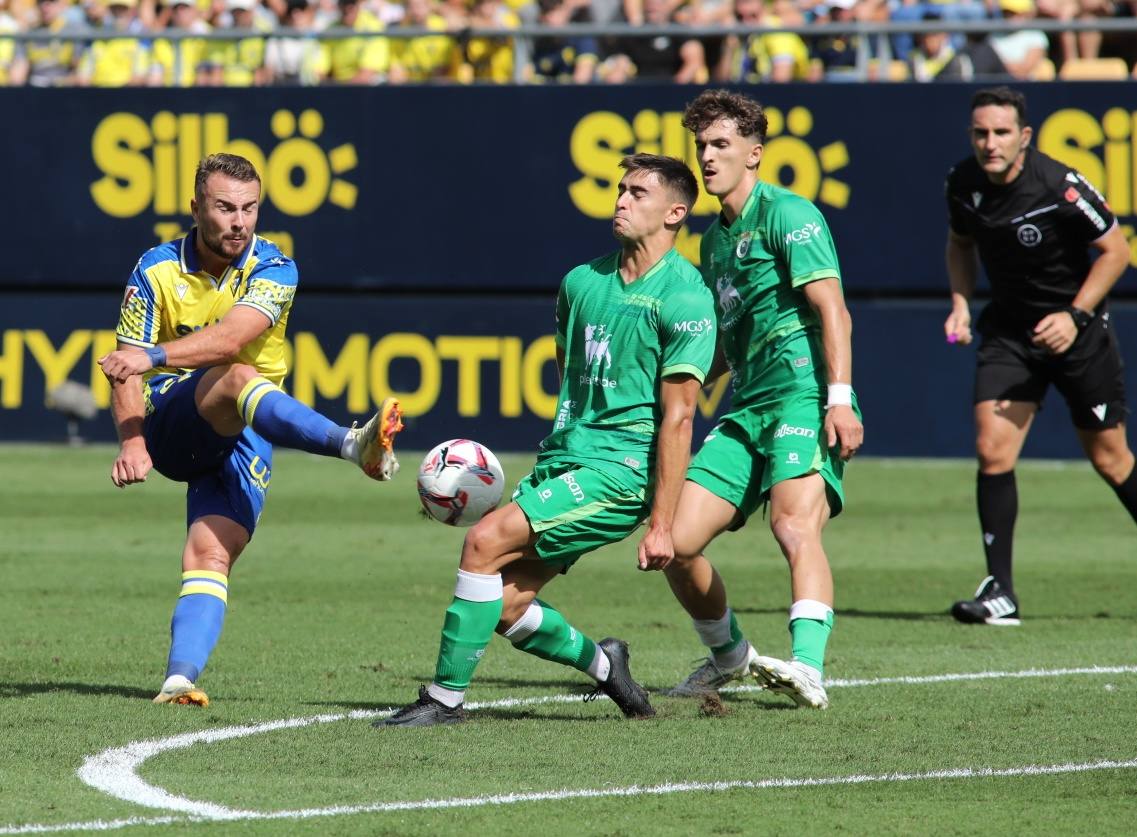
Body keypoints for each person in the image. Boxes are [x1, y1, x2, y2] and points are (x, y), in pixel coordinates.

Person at [380, 153, 716, 727]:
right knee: (506, 607)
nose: (621, 200)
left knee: (482, 543)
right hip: (566, 459)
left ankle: (443, 701)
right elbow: (572, 372)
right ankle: (609, 668)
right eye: (620, 189)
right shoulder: (581, 282)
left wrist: (661, 522)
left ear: (675, 212)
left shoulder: (686, 298)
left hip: (621, 473)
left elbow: (680, 419)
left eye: (638, 193)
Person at [98, 153, 404, 706]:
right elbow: (125, 365)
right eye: (224, 208)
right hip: (175, 420)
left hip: (246, 431)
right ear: (196, 209)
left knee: (211, 555)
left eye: (250, 208)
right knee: (236, 377)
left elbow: (228, 337)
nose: (239, 221)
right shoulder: (155, 269)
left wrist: (154, 354)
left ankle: (179, 679)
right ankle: (351, 444)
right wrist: (133, 439)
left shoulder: (274, 266)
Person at [652, 89, 863, 710]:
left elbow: (834, 311)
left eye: (721, 145)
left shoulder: (790, 214)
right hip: (747, 406)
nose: (708, 157)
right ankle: (731, 657)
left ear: (755, 153)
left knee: (793, 524)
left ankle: (809, 669)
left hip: (804, 394)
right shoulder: (713, 243)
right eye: (702, 146)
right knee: (673, 540)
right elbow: (724, 346)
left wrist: (840, 399)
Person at [943, 87, 1134, 625]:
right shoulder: (962, 183)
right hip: (1010, 332)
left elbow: (1116, 252)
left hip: (1079, 334)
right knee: (992, 448)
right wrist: (960, 303)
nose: (990, 142)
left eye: (1001, 132)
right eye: (981, 132)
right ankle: (1000, 592)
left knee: (1110, 458)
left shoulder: (1060, 185)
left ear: (1024, 136)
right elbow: (960, 244)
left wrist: (1073, 316)